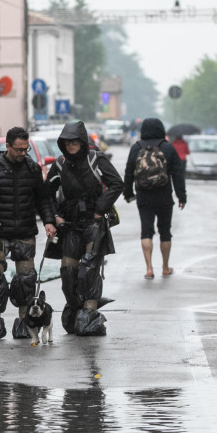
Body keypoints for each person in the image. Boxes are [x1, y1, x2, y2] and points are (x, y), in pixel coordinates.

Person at [0, 126, 57, 340]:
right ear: (7, 146)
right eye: (18, 149)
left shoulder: (33, 169)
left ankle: (25, 322)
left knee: (26, 280)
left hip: (25, 232)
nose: (22, 153)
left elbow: (43, 199)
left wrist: (49, 221)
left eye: (26, 149)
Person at [44, 121, 124, 336]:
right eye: (67, 142)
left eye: (74, 141)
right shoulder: (60, 164)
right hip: (69, 226)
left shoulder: (96, 159)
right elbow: (46, 194)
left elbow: (117, 183)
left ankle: (89, 312)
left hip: (94, 224)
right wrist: (54, 217)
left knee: (89, 269)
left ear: (81, 141)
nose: (70, 145)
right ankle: (75, 306)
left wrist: (100, 208)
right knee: (68, 273)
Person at [123, 117, 187, 280]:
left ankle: (149, 268)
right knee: (165, 232)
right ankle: (165, 267)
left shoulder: (136, 148)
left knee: (146, 231)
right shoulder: (168, 148)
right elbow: (178, 174)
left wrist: (128, 193)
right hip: (164, 196)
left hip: (143, 196)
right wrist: (181, 196)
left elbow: (129, 172)